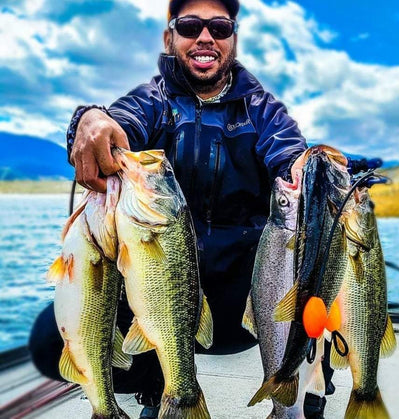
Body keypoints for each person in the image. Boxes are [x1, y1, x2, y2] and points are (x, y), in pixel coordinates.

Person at [29, 1, 331, 417]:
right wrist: (89, 119)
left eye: (219, 27)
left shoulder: (264, 111)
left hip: (245, 302)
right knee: (50, 341)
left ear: (233, 40)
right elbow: (118, 124)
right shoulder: (149, 101)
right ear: (170, 37)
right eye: (190, 25)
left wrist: (307, 169)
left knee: (328, 277)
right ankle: (162, 383)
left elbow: (289, 156)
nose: (205, 37)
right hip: (160, 294)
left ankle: (303, 390)